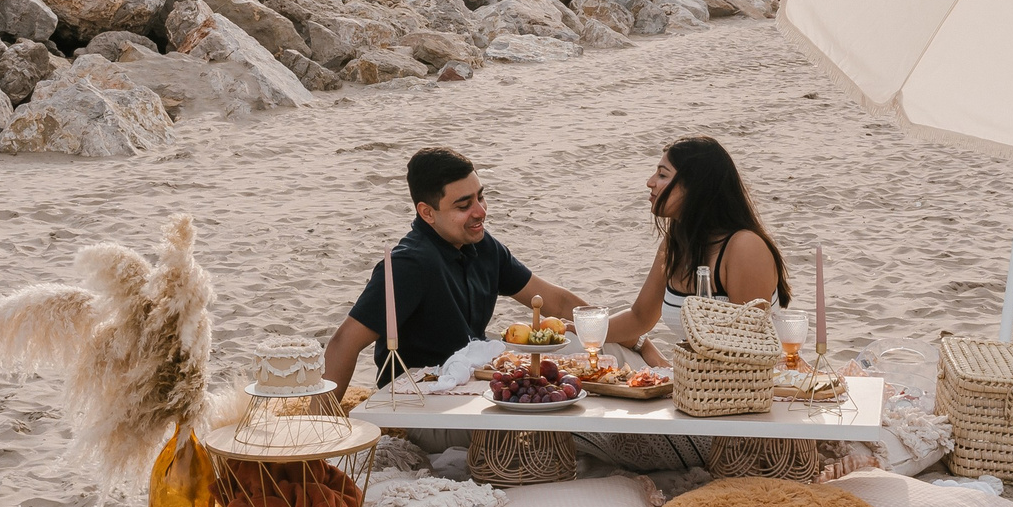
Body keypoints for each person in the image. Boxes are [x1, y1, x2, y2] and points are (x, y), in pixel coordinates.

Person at [324, 147, 587, 392]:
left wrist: (610, 331)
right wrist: (323, 429)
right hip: (424, 399)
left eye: (480, 197)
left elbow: (559, 302)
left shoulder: (483, 246)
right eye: (464, 206)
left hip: (479, 380)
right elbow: (343, 343)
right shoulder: (409, 265)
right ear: (427, 213)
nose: (480, 212)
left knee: (583, 347)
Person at [604, 136, 789, 365]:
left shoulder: (744, 248)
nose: (650, 182)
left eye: (662, 175)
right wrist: (580, 329)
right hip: (695, 382)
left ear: (695, 188)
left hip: (743, 386)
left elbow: (748, 348)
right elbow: (639, 318)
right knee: (588, 345)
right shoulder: (676, 243)